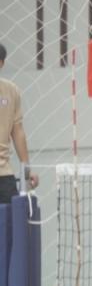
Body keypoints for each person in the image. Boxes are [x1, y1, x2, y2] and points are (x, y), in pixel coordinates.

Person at [0, 43, 38, 203]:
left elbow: (18, 132)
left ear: (1, 63)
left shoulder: (11, 91)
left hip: (3, 174)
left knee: (13, 217)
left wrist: (27, 172)